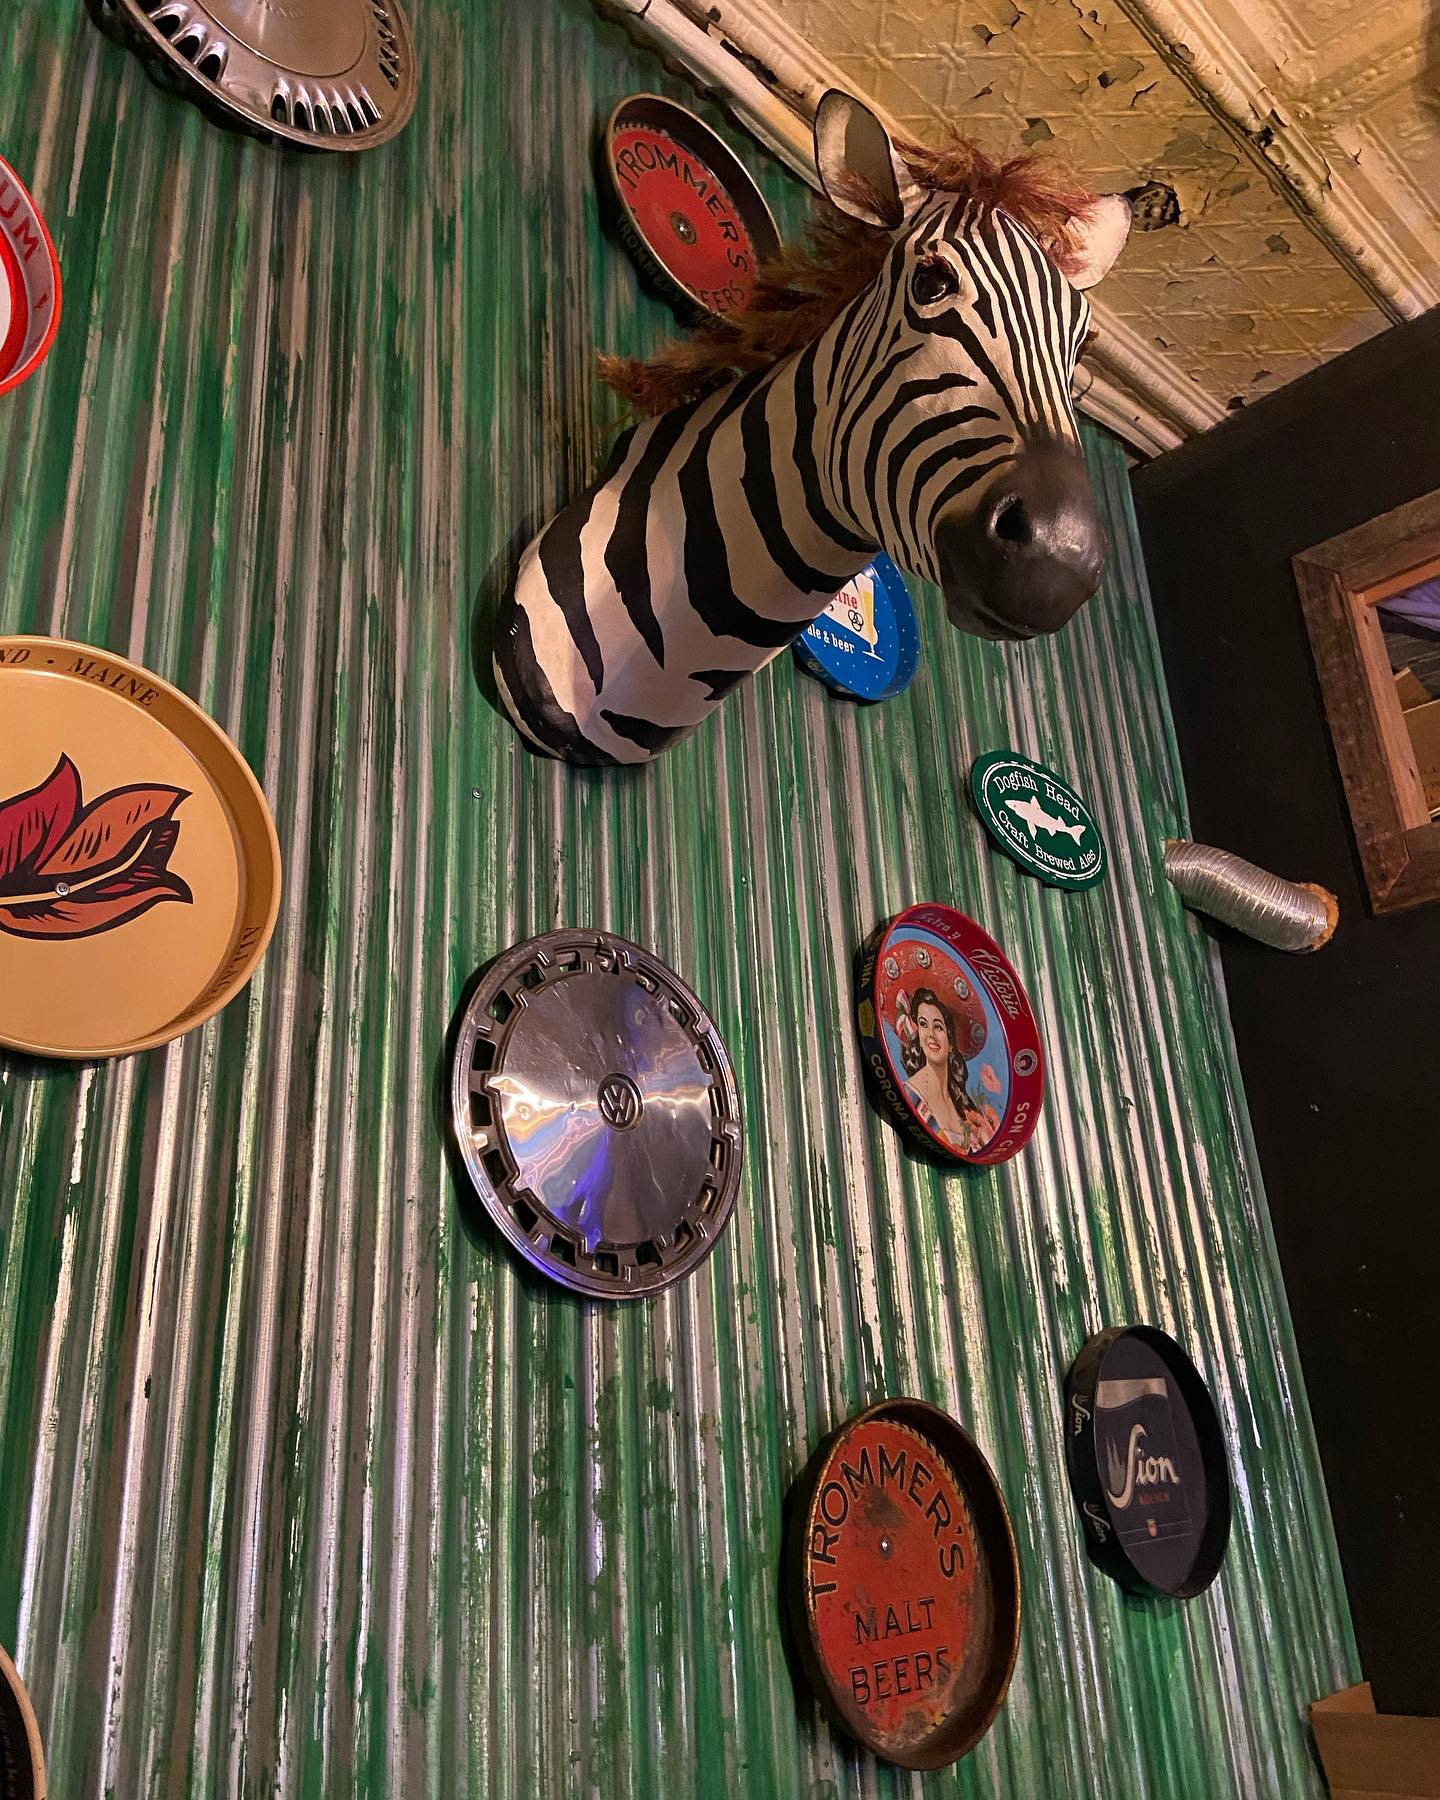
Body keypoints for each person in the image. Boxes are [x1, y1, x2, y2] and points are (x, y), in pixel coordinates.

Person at [899, 987, 986, 1152]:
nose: (931, 1034)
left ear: (951, 1043)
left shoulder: (964, 1106)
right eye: (923, 1024)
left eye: (938, 1027)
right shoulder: (910, 1094)